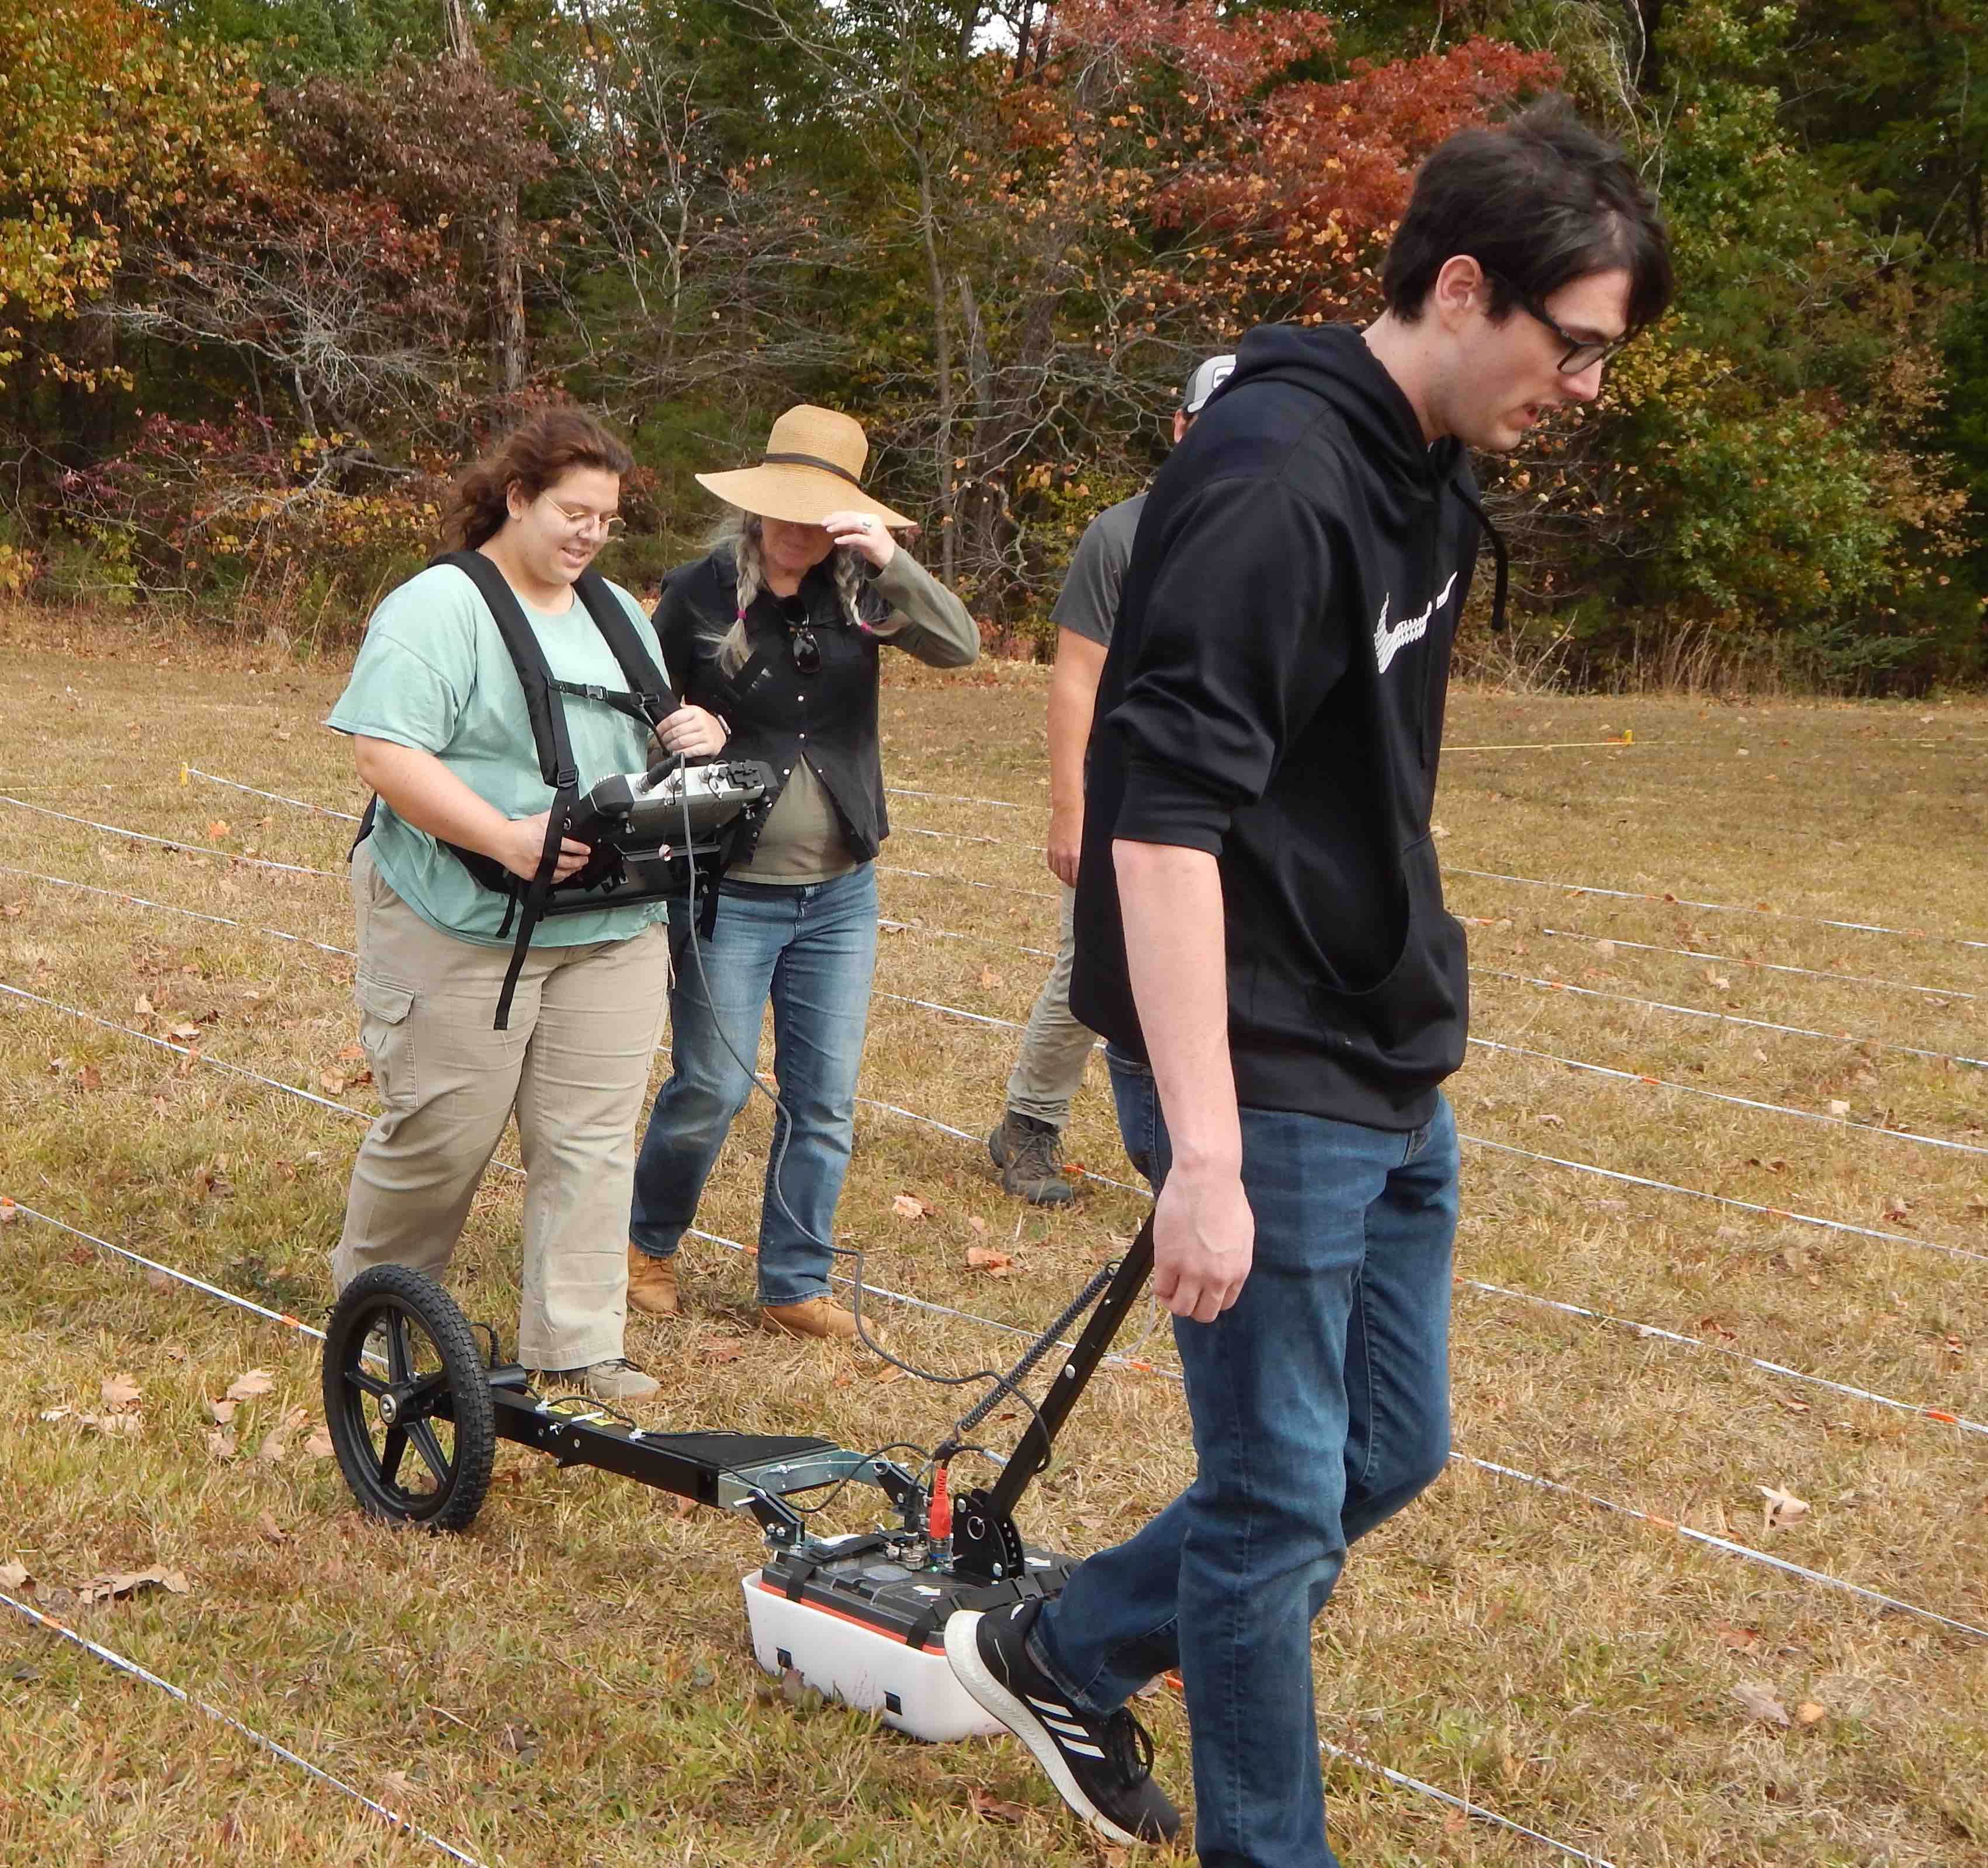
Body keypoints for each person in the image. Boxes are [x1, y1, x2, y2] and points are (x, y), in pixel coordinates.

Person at [945, 97, 1672, 1863]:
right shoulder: (1277, 481)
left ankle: (1061, 1641)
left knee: (1385, 1452)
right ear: (1462, 286)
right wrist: (1200, 1150)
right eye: (1573, 350)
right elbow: (1162, 820)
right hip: (1253, 1062)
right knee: (1275, 1510)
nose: (1582, 390)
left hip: (1373, 1039)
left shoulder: (1423, 457)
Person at [328, 408, 687, 1403]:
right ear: (517, 496)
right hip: (461, 916)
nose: (588, 535)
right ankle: (376, 1316)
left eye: (605, 520)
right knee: (442, 1134)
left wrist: (687, 733)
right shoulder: (438, 608)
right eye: (572, 512)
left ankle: (578, 1343)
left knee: (591, 1137)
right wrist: (506, 838)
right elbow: (383, 753)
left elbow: (643, 745)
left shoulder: (617, 612)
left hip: (609, 922)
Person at [626, 405, 978, 1338]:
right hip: (730, 890)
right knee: (712, 1087)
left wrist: (894, 560)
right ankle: (646, 1243)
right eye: (786, 510)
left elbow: (962, 646)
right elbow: (639, 707)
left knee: (823, 1101)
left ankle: (793, 1284)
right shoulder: (698, 591)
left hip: (839, 894)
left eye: (821, 515)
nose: (799, 531)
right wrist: (682, 732)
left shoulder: (865, 591)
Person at [988, 354, 1235, 1206]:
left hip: (1224, 803)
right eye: (1210, 422)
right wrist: (1071, 808)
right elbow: (1075, 678)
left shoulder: (1271, 531)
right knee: (1092, 963)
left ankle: (1194, 1143)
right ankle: (1029, 1122)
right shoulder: (1121, 533)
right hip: (1123, 796)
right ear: (1180, 427)